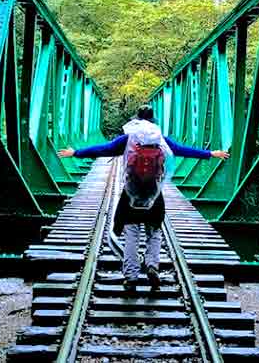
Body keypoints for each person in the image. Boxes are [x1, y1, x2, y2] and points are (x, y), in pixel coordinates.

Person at [58, 105, 229, 291]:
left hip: (131, 194)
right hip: (154, 195)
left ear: (136, 119)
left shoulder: (128, 139)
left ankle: (131, 276)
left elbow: (103, 149)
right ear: (153, 120)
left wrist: (76, 152)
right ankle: (152, 267)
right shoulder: (160, 140)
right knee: (154, 233)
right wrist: (210, 154)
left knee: (131, 233)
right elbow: (182, 150)